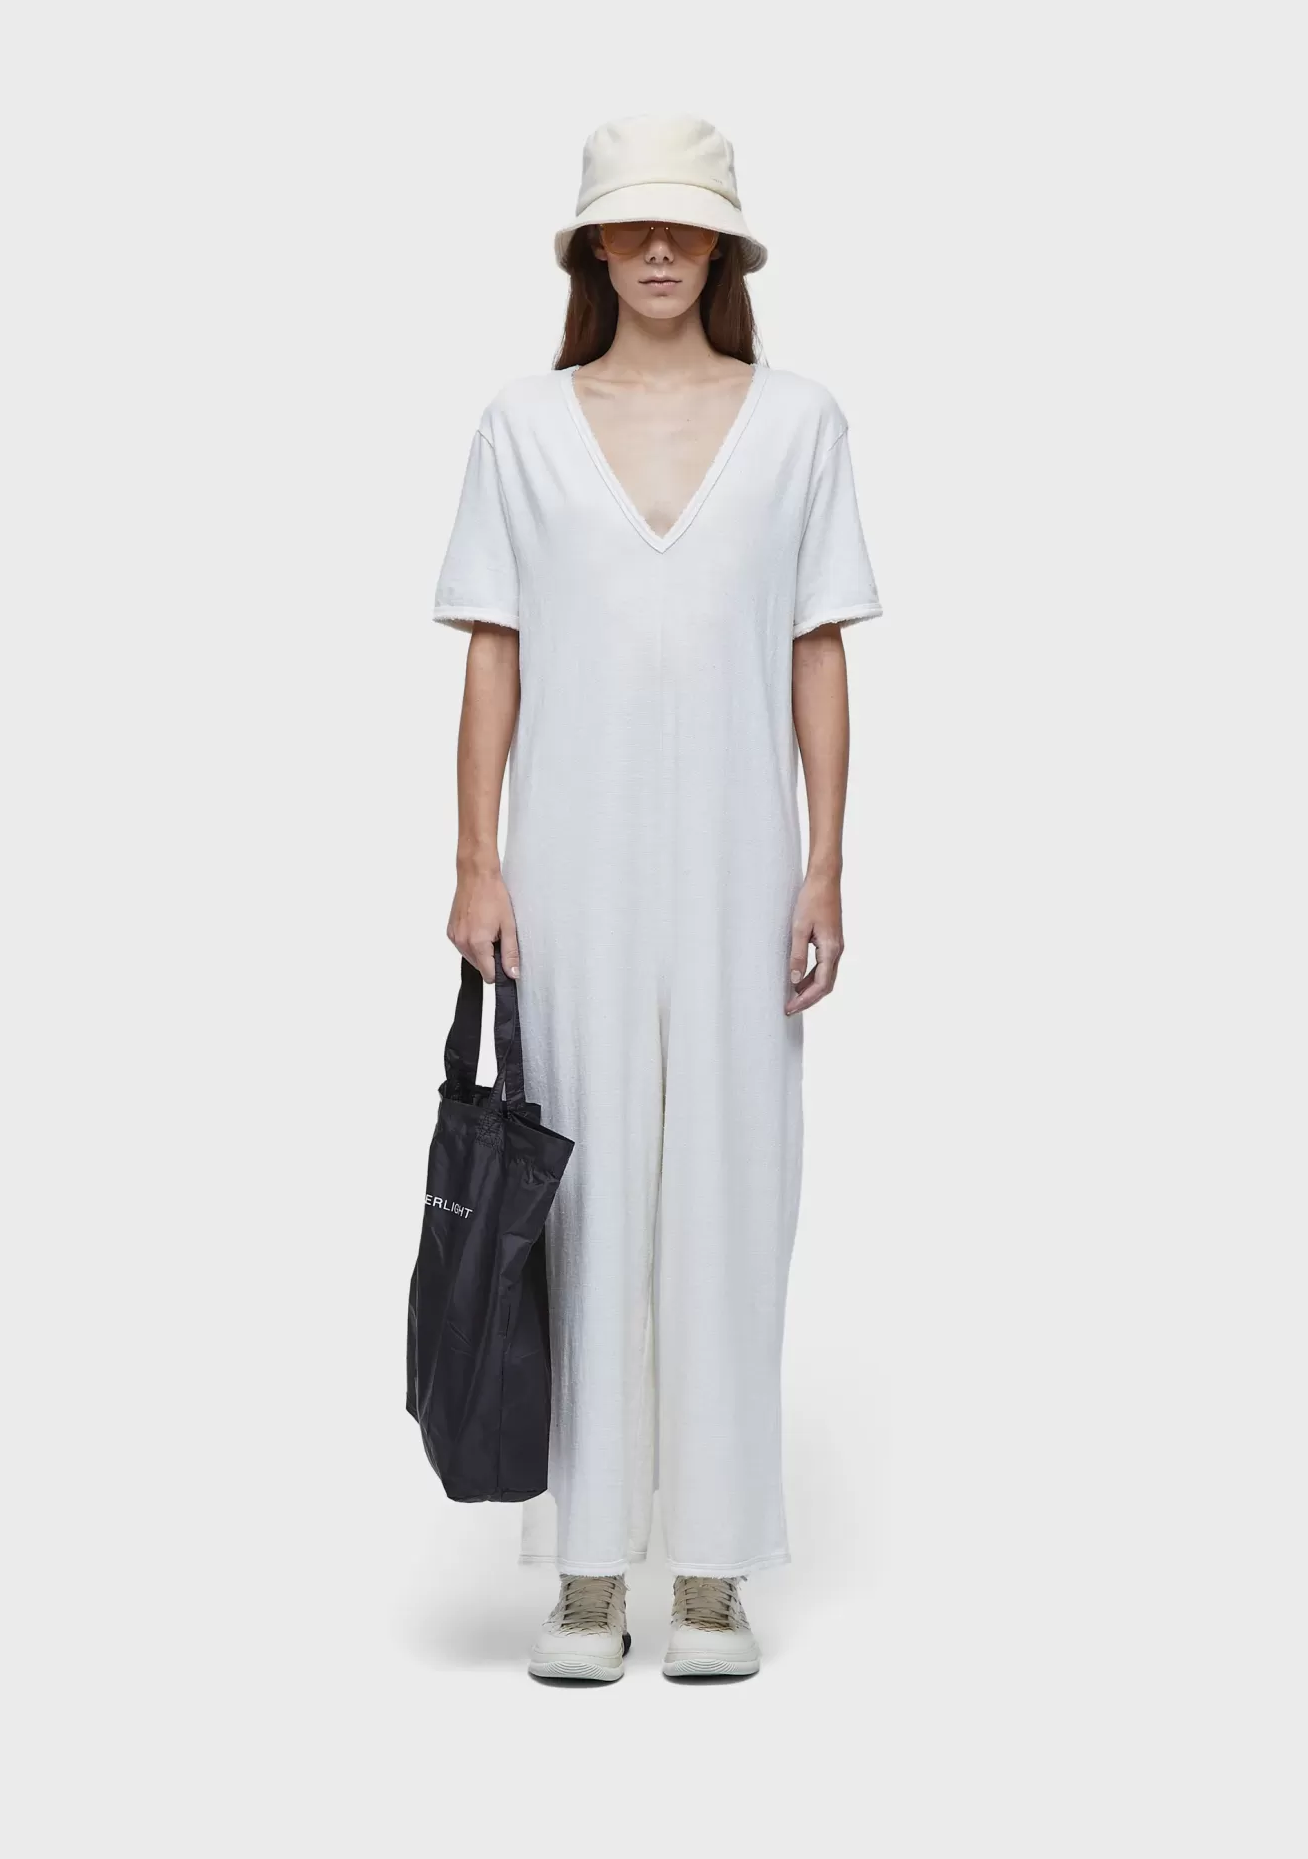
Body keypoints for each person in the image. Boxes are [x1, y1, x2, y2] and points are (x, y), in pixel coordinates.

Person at [431, 112, 881, 1681]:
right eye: (635, 223)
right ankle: (587, 1566)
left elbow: (817, 649)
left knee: (735, 1193)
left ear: (727, 244)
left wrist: (825, 860)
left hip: (743, 867)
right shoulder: (521, 425)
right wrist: (476, 859)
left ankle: (711, 1568)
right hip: (568, 869)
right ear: (596, 247)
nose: (663, 246)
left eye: (689, 223)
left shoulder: (802, 424)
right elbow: (494, 647)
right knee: (580, 1194)